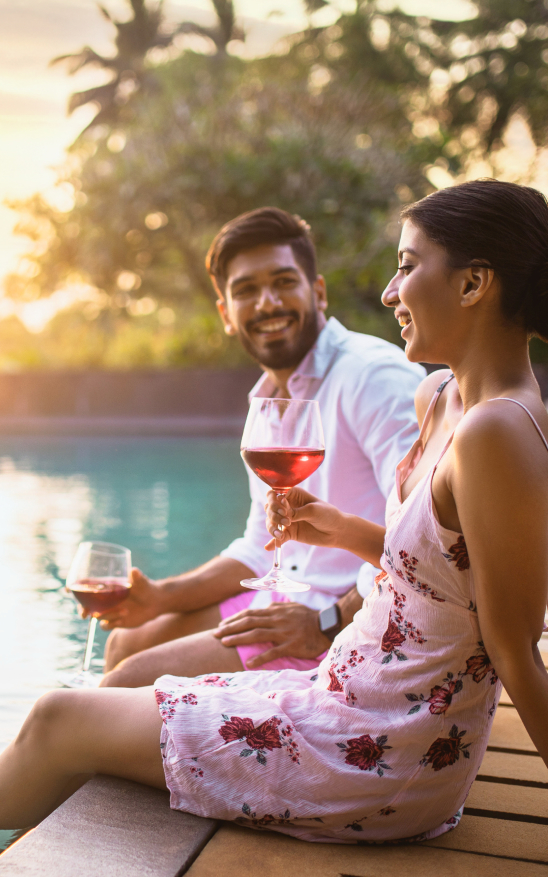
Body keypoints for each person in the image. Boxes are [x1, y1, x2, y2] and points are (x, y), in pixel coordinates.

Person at [2, 179, 548, 867]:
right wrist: (344, 530)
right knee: (93, 701)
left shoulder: (495, 431)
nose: (387, 292)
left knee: (58, 717)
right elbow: (442, 571)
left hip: (378, 754)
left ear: (472, 284)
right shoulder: (443, 398)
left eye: (407, 266)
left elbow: (512, 647)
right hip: (344, 697)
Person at [100, 207, 424, 687]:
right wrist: (162, 596)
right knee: (128, 640)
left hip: (353, 621)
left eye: (283, 282)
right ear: (226, 314)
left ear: (317, 292)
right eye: (246, 290)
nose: (267, 303)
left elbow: (425, 539)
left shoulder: (372, 375)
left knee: (127, 681)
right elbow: (260, 547)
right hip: (292, 602)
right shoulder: (267, 400)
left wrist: (327, 621)